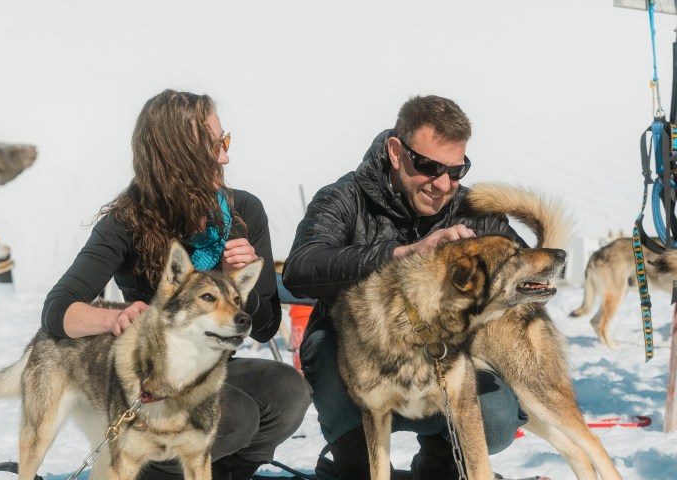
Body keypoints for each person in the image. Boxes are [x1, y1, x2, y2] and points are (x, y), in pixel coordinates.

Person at [41, 89, 312, 480]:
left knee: (288, 391)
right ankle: (150, 469)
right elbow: (57, 309)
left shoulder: (245, 213)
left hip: (213, 372)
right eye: (216, 145)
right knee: (234, 413)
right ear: (178, 159)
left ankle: (225, 472)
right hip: (151, 385)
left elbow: (267, 325)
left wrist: (246, 286)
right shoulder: (127, 223)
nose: (226, 156)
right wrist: (113, 319)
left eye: (226, 140)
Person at [282, 95, 528, 480]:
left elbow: (523, 271)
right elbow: (300, 267)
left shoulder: (470, 209)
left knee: (496, 418)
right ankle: (348, 458)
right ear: (396, 152)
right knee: (356, 468)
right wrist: (403, 255)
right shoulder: (344, 198)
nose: (442, 183)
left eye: (456, 169)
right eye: (429, 166)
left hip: (441, 358)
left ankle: (440, 462)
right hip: (356, 356)